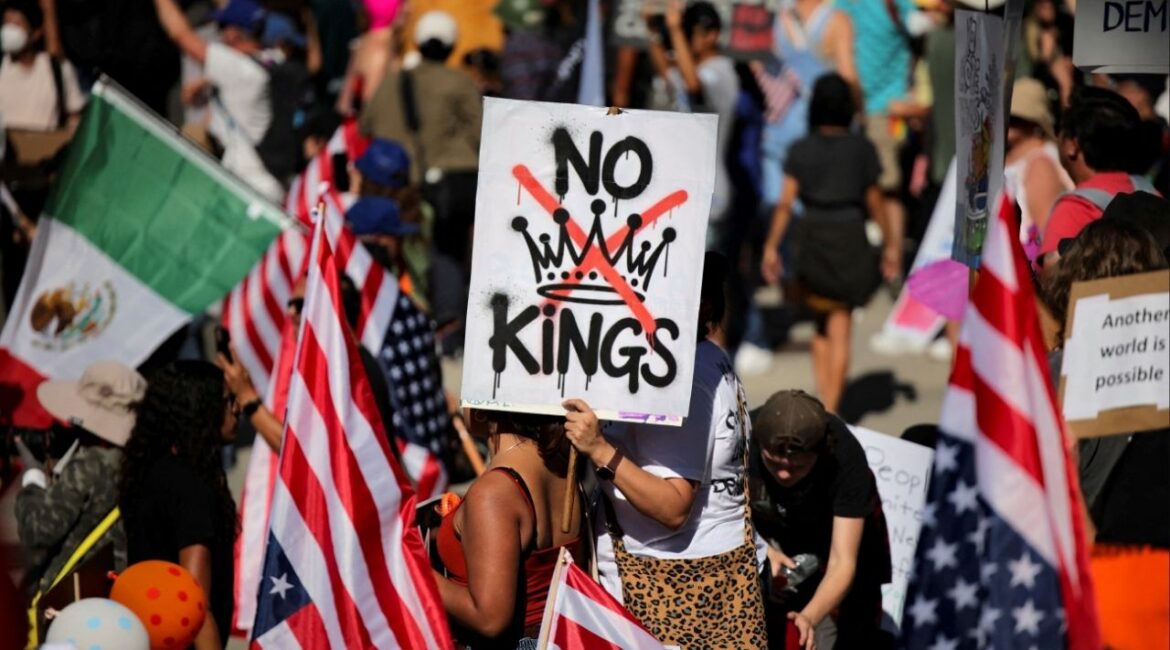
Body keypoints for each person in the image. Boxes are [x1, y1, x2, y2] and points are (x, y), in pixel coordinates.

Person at [562, 252, 768, 647]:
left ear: (703, 304)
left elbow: (673, 507)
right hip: (701, 575)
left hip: (684, 589)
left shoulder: (683, 378)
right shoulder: (706, 357)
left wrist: (600, 449)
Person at [761, 73, 899, 413]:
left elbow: (785, 203)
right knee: (840, 325)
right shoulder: (861, 149)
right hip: (849, 240)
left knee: (820, 324)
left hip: (811, 240)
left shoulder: (800, 149)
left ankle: (825, 404)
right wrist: (891, 245)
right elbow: (876, 201)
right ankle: (831, 411)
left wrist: (771, 246)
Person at [749, 390, 893, 650]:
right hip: (768, 530)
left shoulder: (845, 458)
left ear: (820, 452)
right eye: (773, 463)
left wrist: (809, 617)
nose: (783, 474)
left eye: (797, 466)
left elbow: (843, 560)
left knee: (854, 631)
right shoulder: (740, 440)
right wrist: (761, 547)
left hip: (835, 539)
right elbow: (717, 511)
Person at [432, 410, 581, 647]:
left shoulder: (495, 492)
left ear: (483, 410)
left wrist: (409, 565)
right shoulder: (564, 470)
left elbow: (489, 619)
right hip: (557, 636)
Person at [120, 360, 240, 649]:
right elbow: (195, 607)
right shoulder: (191, 488)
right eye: (227, 400)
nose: (235, 409)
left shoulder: (154, 471)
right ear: (201, 409)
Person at [360, 10, 482, 272]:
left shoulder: (392, 81)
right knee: (444, 261)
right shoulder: (460, 82)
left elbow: (365, 125)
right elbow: (481, 134)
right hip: (445, 193)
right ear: (452, 47)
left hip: (395, 190)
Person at [15, 361, 146, 596]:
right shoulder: (139, 460)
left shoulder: (93, 462)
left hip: (71, 595)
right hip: (113, 588)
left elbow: (38, 530)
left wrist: (32, 477)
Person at [151, 0, 284, 200]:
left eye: (222, 28)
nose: (219, 36)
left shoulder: (237, 68)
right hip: (268, 181)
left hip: (248, 187)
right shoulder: (272, 61)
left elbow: (180, 34)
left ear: (233, 33)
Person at [645, 0, 739, 243]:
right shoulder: (691, 69)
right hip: (685, 191)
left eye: (692, 33)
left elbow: (693, 85)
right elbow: (668, 74)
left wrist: (675, 30)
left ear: (713, 35)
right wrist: (652, 30)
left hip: (710, 193)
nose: (687, 39)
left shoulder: (721, 71)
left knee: (703, 277)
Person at [1039, 87, 1158, 270]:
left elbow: (1053, 276)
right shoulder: (1153, 194)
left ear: (1071, 145)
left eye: (1058, 130)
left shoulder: (1074, 209)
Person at [1004, 77, 1073, 263]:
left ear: (1035, 122)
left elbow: (1046, 234)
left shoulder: (1040, 162)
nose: (1008, 123)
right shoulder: (1015, 156)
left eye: (1016, 118)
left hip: (1030, 268)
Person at [0, 0, 86, 132]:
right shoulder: (2, 68)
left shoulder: (57, 69)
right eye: (6, 24)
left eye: (17, 24)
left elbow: (74, 116)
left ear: (35, 33)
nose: (9, 31)